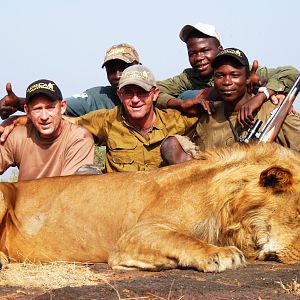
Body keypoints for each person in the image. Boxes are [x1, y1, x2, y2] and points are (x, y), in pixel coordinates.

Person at [161, 48, 300, 165]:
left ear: (247, 79)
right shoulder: (206, 113)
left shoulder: (273, 111)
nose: (227, 82)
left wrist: (262, 96)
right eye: (220, 75)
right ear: (213, 80)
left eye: (235, 75)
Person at [156, 22, 299, 125]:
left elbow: (292, 73)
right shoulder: (189, 77)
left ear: (220, 49)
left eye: (205, 50)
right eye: (193, 53)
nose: (199, 58)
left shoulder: (243, 71)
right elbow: (152, 91)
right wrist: (180, 103)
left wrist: (263, 95)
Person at [65, 65, 200, 172]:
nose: (135, 100)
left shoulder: (176, 120)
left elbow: (214, 116)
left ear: (155, 94)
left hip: (163, 200)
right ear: (119, 95)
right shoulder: (106, 120)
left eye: (142, 92)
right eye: (128, 92)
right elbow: (67, 125)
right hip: (122, 201)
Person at [0, 43, 140, 119]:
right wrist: (18, 103)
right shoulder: (99, 97)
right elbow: (56, 107)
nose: (117, 75)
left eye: (123, 68)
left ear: (138, 67)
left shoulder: (156, 94)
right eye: (111, 70)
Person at [0, 79, 95, 180]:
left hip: (63, 194)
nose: (44, 117)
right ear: (27, 111)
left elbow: (68, 189)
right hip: (25, 195)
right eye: (37, 109)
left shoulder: (80, 138)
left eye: (50, 108)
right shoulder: (17, 136)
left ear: (62, 107)